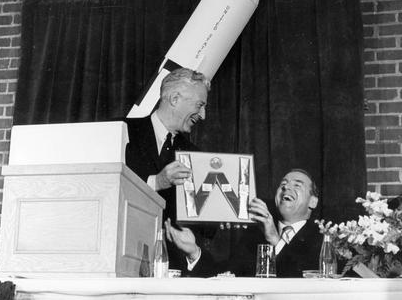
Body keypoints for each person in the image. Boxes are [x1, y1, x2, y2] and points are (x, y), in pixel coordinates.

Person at [123, 67, 210, 267]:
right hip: (124, 256)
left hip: (170, 268)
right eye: (199, 105)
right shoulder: (122, 130)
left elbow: (198, 226)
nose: (203, 115)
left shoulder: (194, 155)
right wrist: (156, 182)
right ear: (174, 99)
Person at [165, 168, 322, 277]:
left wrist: (275, 240)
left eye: (297, 185)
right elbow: (226, 275)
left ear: (313, 202)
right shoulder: (254, 234)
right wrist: (194, 252)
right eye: (283, 184)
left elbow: (306, 282)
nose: (286, 186)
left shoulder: (324, 238)